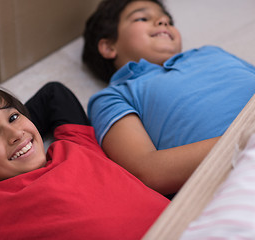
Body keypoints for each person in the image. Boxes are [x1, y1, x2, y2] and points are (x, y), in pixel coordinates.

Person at [0, 82, 169, 239]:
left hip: (190, 223)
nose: (15, 133)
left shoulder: (73, 146)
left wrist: (23, 133)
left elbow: (53, 94)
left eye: (13, 117)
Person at [82, 0, 255, 197]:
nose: (163, 21)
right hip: (234, 178)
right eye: (143, 18)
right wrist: (245, 136)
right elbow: (148, 170)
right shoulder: (113, 96)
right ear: (109, 46)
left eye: (168, 21)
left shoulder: (211, 53)